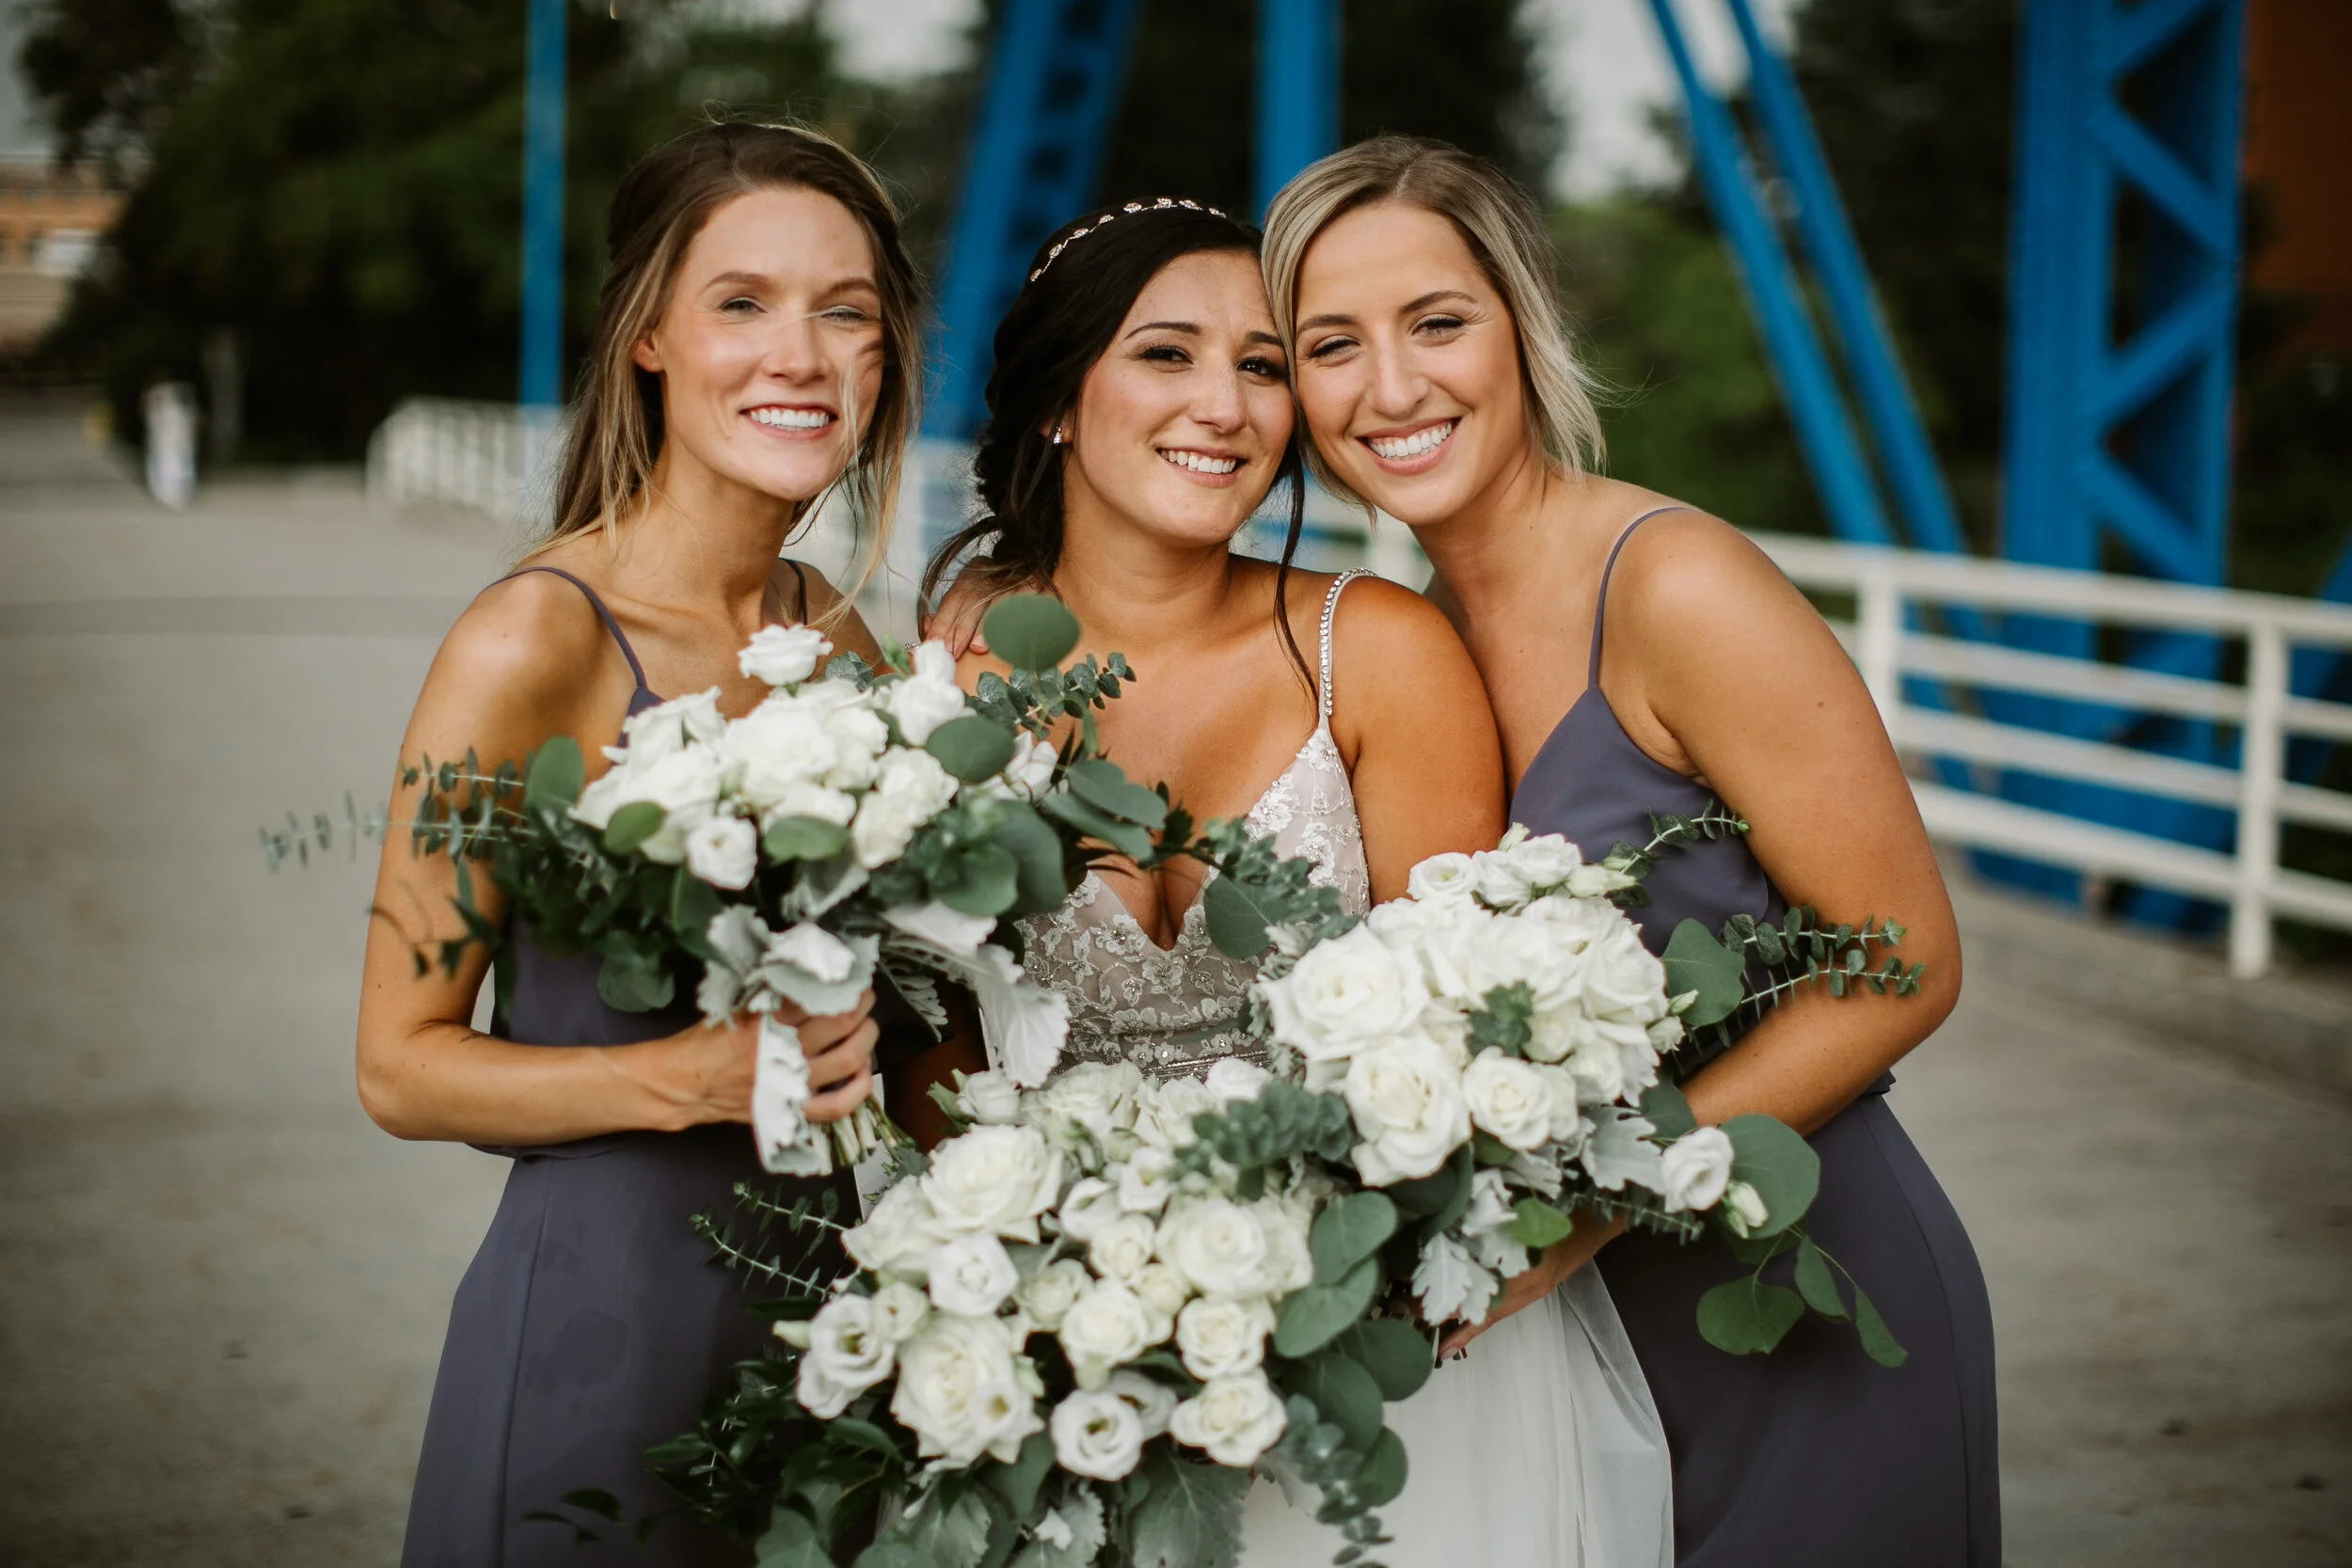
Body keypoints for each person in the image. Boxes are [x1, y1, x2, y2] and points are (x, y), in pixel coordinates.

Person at [1260, 135, 1998, 1566]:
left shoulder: (1676, 586)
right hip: (1581, 1353)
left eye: (1437, 323)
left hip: (1805, 1284)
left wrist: (1588, 1211)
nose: (1390, 388)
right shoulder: (1414, 639)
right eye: (1328, 345)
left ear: (1524, 325)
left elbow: (1907, 960)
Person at [926, 197, 1675, 1567]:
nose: (1226, 405)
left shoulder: (1376, 649)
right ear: (1054, 401)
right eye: (1167, 354)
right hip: (1050, 1344)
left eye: (1265, 365)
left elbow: (1456, 1037)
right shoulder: (935, 675)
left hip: (1377, 1353)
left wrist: (1295, 1280)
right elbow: (926, 1048)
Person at [357, 122, 959, 1567]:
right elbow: (398, 1060)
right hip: (600, 1323)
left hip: (818, 1327)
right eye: (742, 303)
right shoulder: (532, 640)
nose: (800, 356)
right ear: (649, 338)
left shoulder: (839, 634)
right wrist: (683, 1075)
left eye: (846, 311)